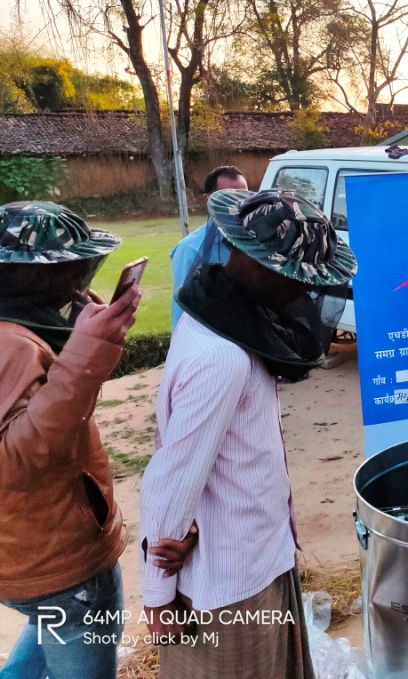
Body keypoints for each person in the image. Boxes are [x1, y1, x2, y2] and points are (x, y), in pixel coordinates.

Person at [139, 189, 356, 678]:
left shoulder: (224, 322)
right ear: (260, 267)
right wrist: (157, 596)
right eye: (295, 280)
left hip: (259, 552)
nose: (302, 293)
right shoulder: (222, 357)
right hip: (231, 583)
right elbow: (171, 476)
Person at [0, 202, 190, 678]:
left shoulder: (17, 332)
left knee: (48, 630)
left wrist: (82, 346)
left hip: (22, 551)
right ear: (39, 277)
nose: (78, 280)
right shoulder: (14, 345)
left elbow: (50, 412)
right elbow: (16, 461)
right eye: (70, 269)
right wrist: (88, 352)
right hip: (61, 560)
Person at [169, 165, 248, 329]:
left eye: (245, 197)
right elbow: (182, 313)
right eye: (229, 197)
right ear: (208, 200)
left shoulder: (256, 241)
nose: (239, 204)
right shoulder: (190, 249)